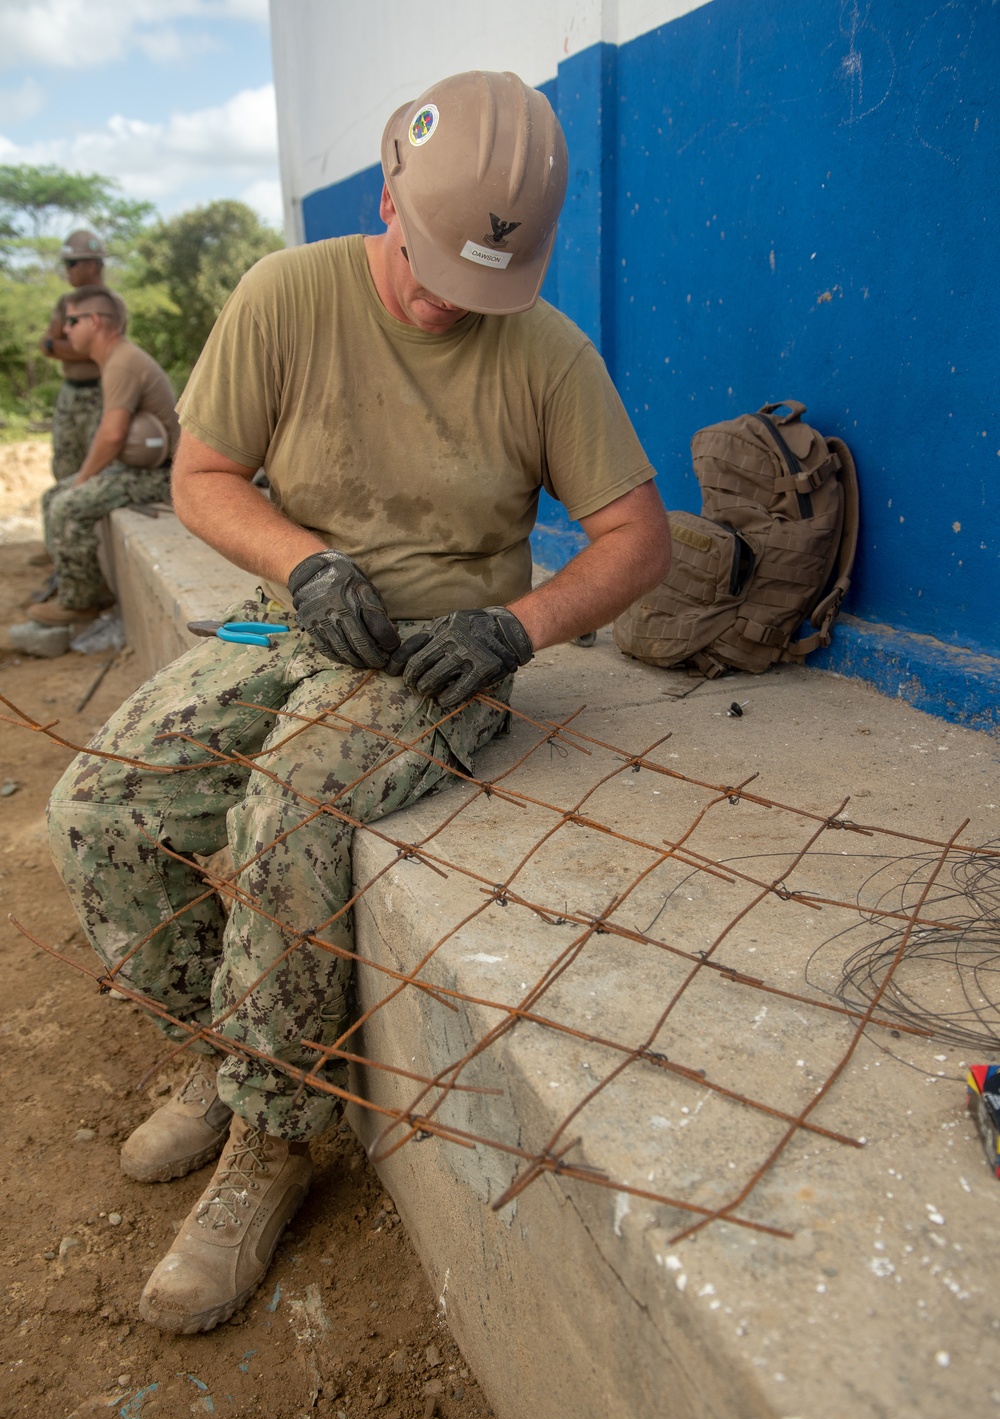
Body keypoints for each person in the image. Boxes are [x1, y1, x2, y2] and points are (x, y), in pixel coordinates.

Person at [46, 70, 672, 1336]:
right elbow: (209, 475)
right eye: (432, 265)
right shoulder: (289, 294)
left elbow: (636, 540)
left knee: (289, 815)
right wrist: (303, 561)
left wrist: (519, 625)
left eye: (483, 283)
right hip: (297, 610)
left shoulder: (548, 351)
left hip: (443, 651)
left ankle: (272, 1145)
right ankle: (231, 1055)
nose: (450, 301)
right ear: (387, 194)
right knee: (101, 807)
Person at [27, 286, 179, 630]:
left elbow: (111, 435)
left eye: (72, 321)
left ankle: (81, 602)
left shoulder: (121, 363)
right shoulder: (115, 359)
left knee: (67, 504)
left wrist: (83, 479)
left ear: (95, 322)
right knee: (53, 495)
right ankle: (81, 583)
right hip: (138, 468)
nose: (65, 330)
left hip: (159, 475)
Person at [39, 230, 127, 482]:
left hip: (101, 393)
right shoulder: (65, 302)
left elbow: (104, 350)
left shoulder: (112, 303)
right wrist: (81, 347)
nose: (67, 270)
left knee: (99, 468)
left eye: (72, 263)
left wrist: (63, 346)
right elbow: (46, 345)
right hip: (70, 392)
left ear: (92, 264)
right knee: (65, 464)